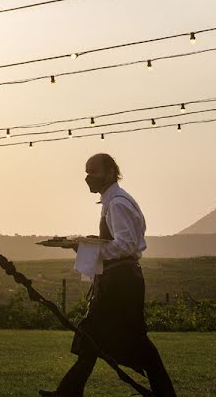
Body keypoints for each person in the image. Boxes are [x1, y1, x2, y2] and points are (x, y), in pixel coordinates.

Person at [40, 153, 176, 397]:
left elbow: (125, 245)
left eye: (93, 171)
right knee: (94, 336)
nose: (87, 177)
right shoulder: (115, 201)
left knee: (123, 338)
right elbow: (120, 243)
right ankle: (68, 392)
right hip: (120, 279)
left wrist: (87, 247)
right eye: (86, 172)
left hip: (120, 282)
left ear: (111, 172)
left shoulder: (117, 203)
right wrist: (90, 243)